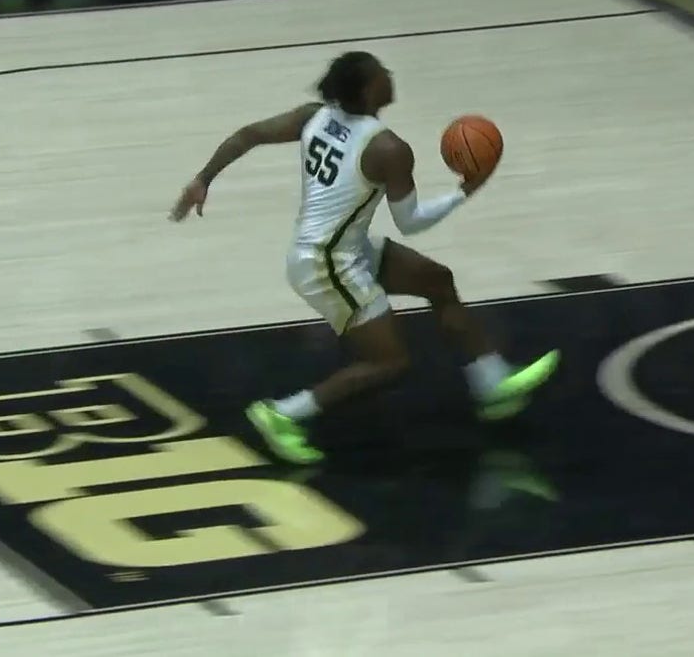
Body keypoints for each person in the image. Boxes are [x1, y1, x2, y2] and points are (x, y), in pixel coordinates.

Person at [168, 51, 560, 465]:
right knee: (389, 363)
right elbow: (410, 222)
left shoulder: (313, 116)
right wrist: (466, 190)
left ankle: (491, 383)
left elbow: (247, 134)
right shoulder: (387, 149)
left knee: (437, 280)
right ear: (370, 90)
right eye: (381, 73)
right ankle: (283, 414)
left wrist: (203, 178)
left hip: (338, 248)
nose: (390, 74)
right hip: (328, 266)